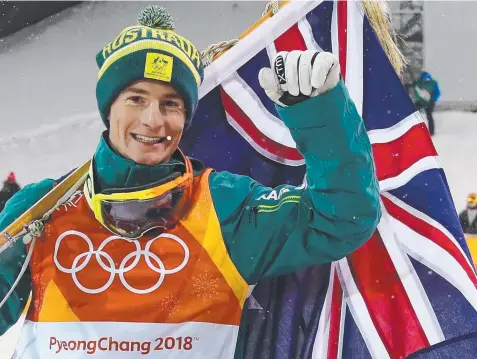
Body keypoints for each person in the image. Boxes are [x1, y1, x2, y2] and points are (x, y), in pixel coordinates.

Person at [0, 6, 380, 358]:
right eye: (136, 98)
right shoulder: (43, 209)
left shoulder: (224, 206)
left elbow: (342, 219)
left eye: (171, 103)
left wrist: (321, 112)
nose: (153, 119)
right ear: (108, 107)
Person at [412, 71, 441, 136]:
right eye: (424, 79)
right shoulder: (418, 83)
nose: (425, 80)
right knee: (414, 114)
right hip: (420, 101)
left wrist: (432, 100)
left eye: (426, 79)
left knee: (429, 116)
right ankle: (414, 130)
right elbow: (414, 89)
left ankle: (431, 132)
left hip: (430, 102)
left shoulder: (433, 83)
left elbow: (437, 93)